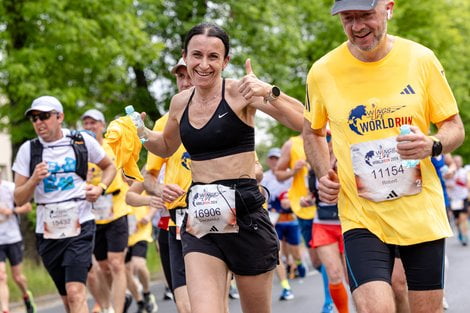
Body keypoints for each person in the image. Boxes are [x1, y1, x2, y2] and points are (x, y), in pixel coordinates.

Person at [303, 0, 465, 312]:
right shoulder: (322, 71)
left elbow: (453, 126)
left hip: (420, 213)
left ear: (388, 8)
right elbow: (312, 130)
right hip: (361, 214)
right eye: (347, 18)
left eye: (365, 15)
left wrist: (433, 144)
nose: (357, 26)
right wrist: (326, 174)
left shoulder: (421, 58)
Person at [140, 23, 304, 313]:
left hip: (246, 213)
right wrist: (139, 132)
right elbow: (165, 146)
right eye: (196, 55)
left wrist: (269, 91)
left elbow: (303, 122)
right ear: (185, 57)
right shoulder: (179, 103)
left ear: (226, 61)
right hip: (201, 214)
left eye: (213, 57)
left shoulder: (241, 92)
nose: (204, 65)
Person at [13, 96, 116, 313]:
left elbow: (109, 167)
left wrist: (100, 188)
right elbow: (18, 198)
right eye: (34, 118)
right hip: (48, 230)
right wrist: (33, 180)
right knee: (67, 300)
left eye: (44, 116)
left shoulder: (80, 141)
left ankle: (106, 306)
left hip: (81, 223)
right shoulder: (28, 150)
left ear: (59, 117)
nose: (39, 122)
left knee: (76, 292)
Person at [143, 58, 193, 313]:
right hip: (177, 220)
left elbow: (254, 168)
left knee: (211, 304)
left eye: (190, 76)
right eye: (180, 77)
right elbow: (149, 177)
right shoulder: (164, 124)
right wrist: (160, 189)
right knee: (185, 306)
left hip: (217, 217)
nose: (185, 83)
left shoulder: (226, 114)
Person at [81, 109, 132, 313]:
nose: (90, 127)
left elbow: (129, 141)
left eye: (93, 123)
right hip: (94, 215)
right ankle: (117, 298)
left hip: (117, 209)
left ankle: (117, 309)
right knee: (103, 266)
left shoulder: (112, 145)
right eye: (86, 124)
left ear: (102, 125)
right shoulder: (80, 152)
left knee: (116, 263)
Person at [275, 134, 333, 312]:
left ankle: (329, 302)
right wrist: (293, 170)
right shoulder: (292, 144)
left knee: (328, 256)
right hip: (304, 208)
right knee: (316, 260)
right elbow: (279, 174)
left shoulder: (332, 134)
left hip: (330, 206)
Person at [304, 131, 349, 313]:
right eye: (324, 138)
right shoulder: (313, 167)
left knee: (353, 277)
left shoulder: (346, 159)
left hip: (348, 223)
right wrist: (306, 199)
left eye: (329, 137)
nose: (326, 142)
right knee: (334, 274)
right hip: (322, 223)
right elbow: (314, 193)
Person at [261, 148, 296, 301]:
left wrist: (290, 201)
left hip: (290, 216)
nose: (275, 161)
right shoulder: (264, 177)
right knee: (278, 252)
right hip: (272, 217)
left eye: (277, 158)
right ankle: (286, 287)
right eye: (272, 159)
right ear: (269, 161)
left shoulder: (289, 174)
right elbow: (261, 194)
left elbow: (297, 192)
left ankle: (298, 263)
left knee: (294, 251)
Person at [0, 175, 36, 313]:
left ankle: (26, 294)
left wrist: (11, 211)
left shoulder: (9, 188)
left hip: (12, 237)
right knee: (1, 275)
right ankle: (5, 309)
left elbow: (27, 207)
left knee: (18, 277)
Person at [125, 179, 160, 313]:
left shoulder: (139, 183)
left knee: (138, 264)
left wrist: (148, 216)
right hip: (124, 235)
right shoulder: (115, 185)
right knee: (125, 271)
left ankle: (146, 292)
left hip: (141, 233)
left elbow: (156, 200)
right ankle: (139, 301)